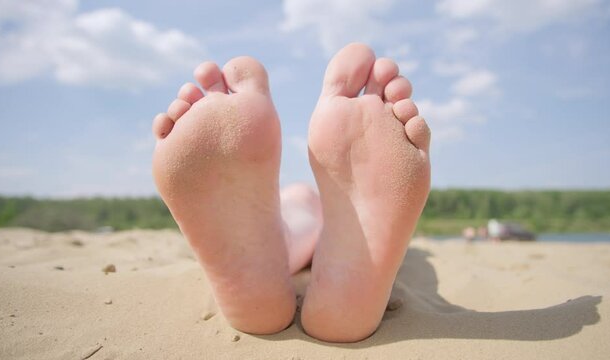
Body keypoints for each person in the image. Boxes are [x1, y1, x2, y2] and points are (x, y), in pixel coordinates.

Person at [151, 43, 431, 343]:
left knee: (296, 209)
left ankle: (274, 262)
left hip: (294, 215)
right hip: (327, 210)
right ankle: (342, 271)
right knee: (306, 203)